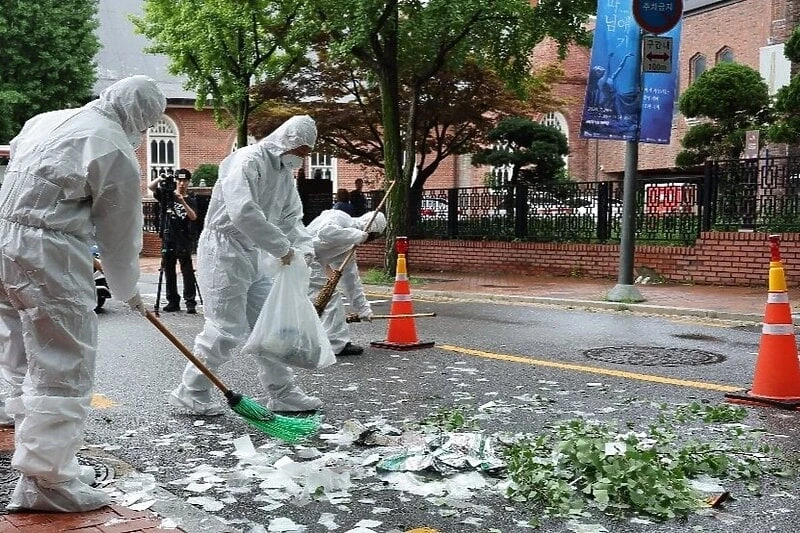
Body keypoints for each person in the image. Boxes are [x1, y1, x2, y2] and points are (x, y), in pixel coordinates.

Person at [0, 75, 165, 512]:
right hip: (47, 253)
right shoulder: (113, 148)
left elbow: (20, 155)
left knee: (22, 357)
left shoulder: (50, 119)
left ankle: (44, 464)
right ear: (141, 117)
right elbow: (120, 233)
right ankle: (47, 481)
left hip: (4, 237)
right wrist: (129, 290)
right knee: (61, 365)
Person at [169, 115, 322, 416]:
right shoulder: (247, 160)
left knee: (270, 325)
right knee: (225, 329)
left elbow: (291, 218)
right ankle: (191, 391)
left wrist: (304, 248)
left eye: (306, 154)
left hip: (255, 251)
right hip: (223, 249)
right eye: (301, 151)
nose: (302, 159)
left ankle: (283, 393)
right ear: (287, 141)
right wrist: (281, 247)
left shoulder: (283, 175)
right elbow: (243, 211)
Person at [307, 209, 386, 356]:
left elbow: (351, 280)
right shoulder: (340, 217)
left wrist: (363, 309)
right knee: (331, 297)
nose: (370, 240)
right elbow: (326, 232)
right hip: (305, 257)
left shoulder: (348, 247)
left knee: (315, 301)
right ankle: (336, 343)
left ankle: (305, 336)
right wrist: (356, 236)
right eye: (373, 236)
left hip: (310, 262)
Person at [148, 168, 199, 313]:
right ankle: (173, 301)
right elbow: (151, 187)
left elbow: (193, 216)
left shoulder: (191, 199)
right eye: (179, 180)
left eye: (184, 181)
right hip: (169, 238)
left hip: (184, 239)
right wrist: (161, 178)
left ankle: (190, 302)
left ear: (188, 182)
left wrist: (182, 201)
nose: (181, 183)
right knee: (169, 271)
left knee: (187, 271)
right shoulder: (167, 196)